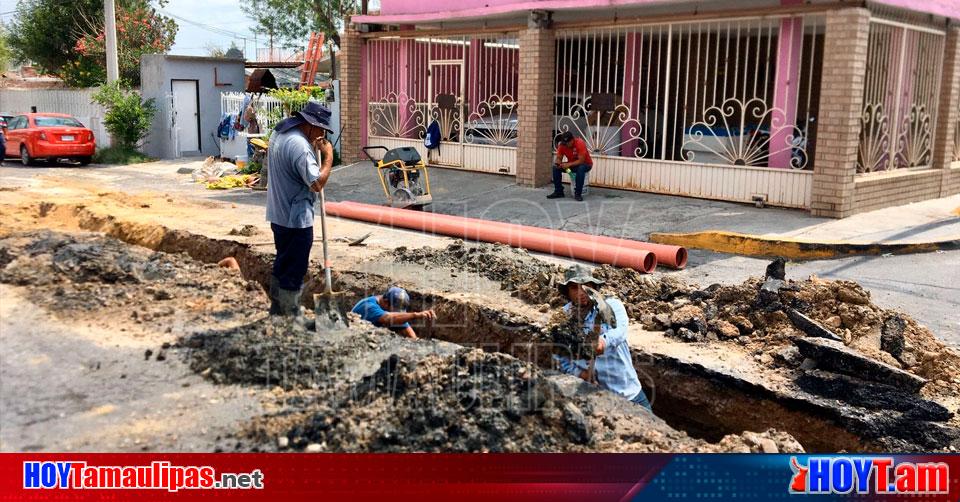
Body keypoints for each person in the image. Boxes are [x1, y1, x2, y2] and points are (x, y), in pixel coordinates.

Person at [266, 101, 335, 316]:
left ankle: (278, 311)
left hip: (278, 214)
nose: (322, 134)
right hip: (295, 219)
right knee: (294, 269)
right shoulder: (299, 147)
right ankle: (290, 316)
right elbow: (316, 183)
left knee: (282, 263)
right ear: (311, 125)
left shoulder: (281, 133)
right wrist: (328, 156)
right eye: (321, 128)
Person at [553, 264, 653, 411]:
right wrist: (580, 374)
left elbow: (619, 332)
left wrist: (602, 341)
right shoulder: (564, 316)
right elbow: (560, 355)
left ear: (593, 287)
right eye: (574, 288)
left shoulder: (612, 306)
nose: (581, 292)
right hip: (596, 397)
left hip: (628, 392)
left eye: (585, 286)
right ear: (568, 292)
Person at [352, 287, 436, 339]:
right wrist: (416, 315)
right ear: (385, 302)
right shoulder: (368, 306)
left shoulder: (390, 310)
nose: (396, 314)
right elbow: (388, 318)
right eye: (395, 311)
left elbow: (408, 332)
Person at [547, 131, 593, 202]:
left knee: (580, 169)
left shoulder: (580, 143)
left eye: (568, 143)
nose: (566, 145)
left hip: (586, 164)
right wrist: (558, 162)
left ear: (572, 140)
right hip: (572, 165)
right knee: (556, 168)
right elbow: (559, 157)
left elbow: (581, 161)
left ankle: (578, 193)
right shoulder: (562, 145)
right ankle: (559, 192)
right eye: (565, 143)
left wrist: (568, 164)